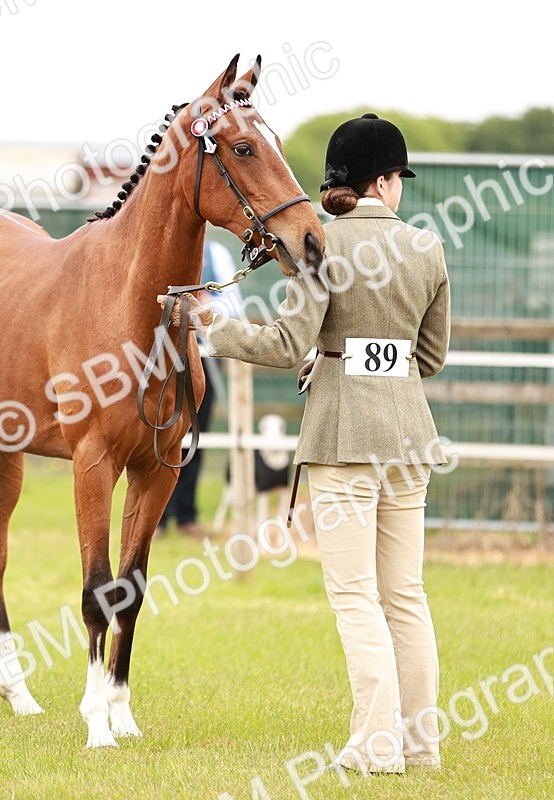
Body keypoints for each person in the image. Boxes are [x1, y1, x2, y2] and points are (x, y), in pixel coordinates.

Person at [161, 113, 450, 773]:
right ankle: (419, 744)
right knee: (405, 594)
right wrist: (356, 355)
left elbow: (287, 344)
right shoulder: (427, 247)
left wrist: (213, 322)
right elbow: (428, 356)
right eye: (398, 177)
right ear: (383, 181)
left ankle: (376, 747)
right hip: (408, 438)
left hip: (344, 439)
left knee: (355, 595)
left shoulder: (317, 243)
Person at [157, 238, 241, 538]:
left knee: (195, 435)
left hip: (201, 358)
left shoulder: (215, 253)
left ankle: (186, 515)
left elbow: (234, 303)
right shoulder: (160, 247)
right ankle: (157, 517)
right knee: (159, 435)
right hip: (161, 358)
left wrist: (205, 306)